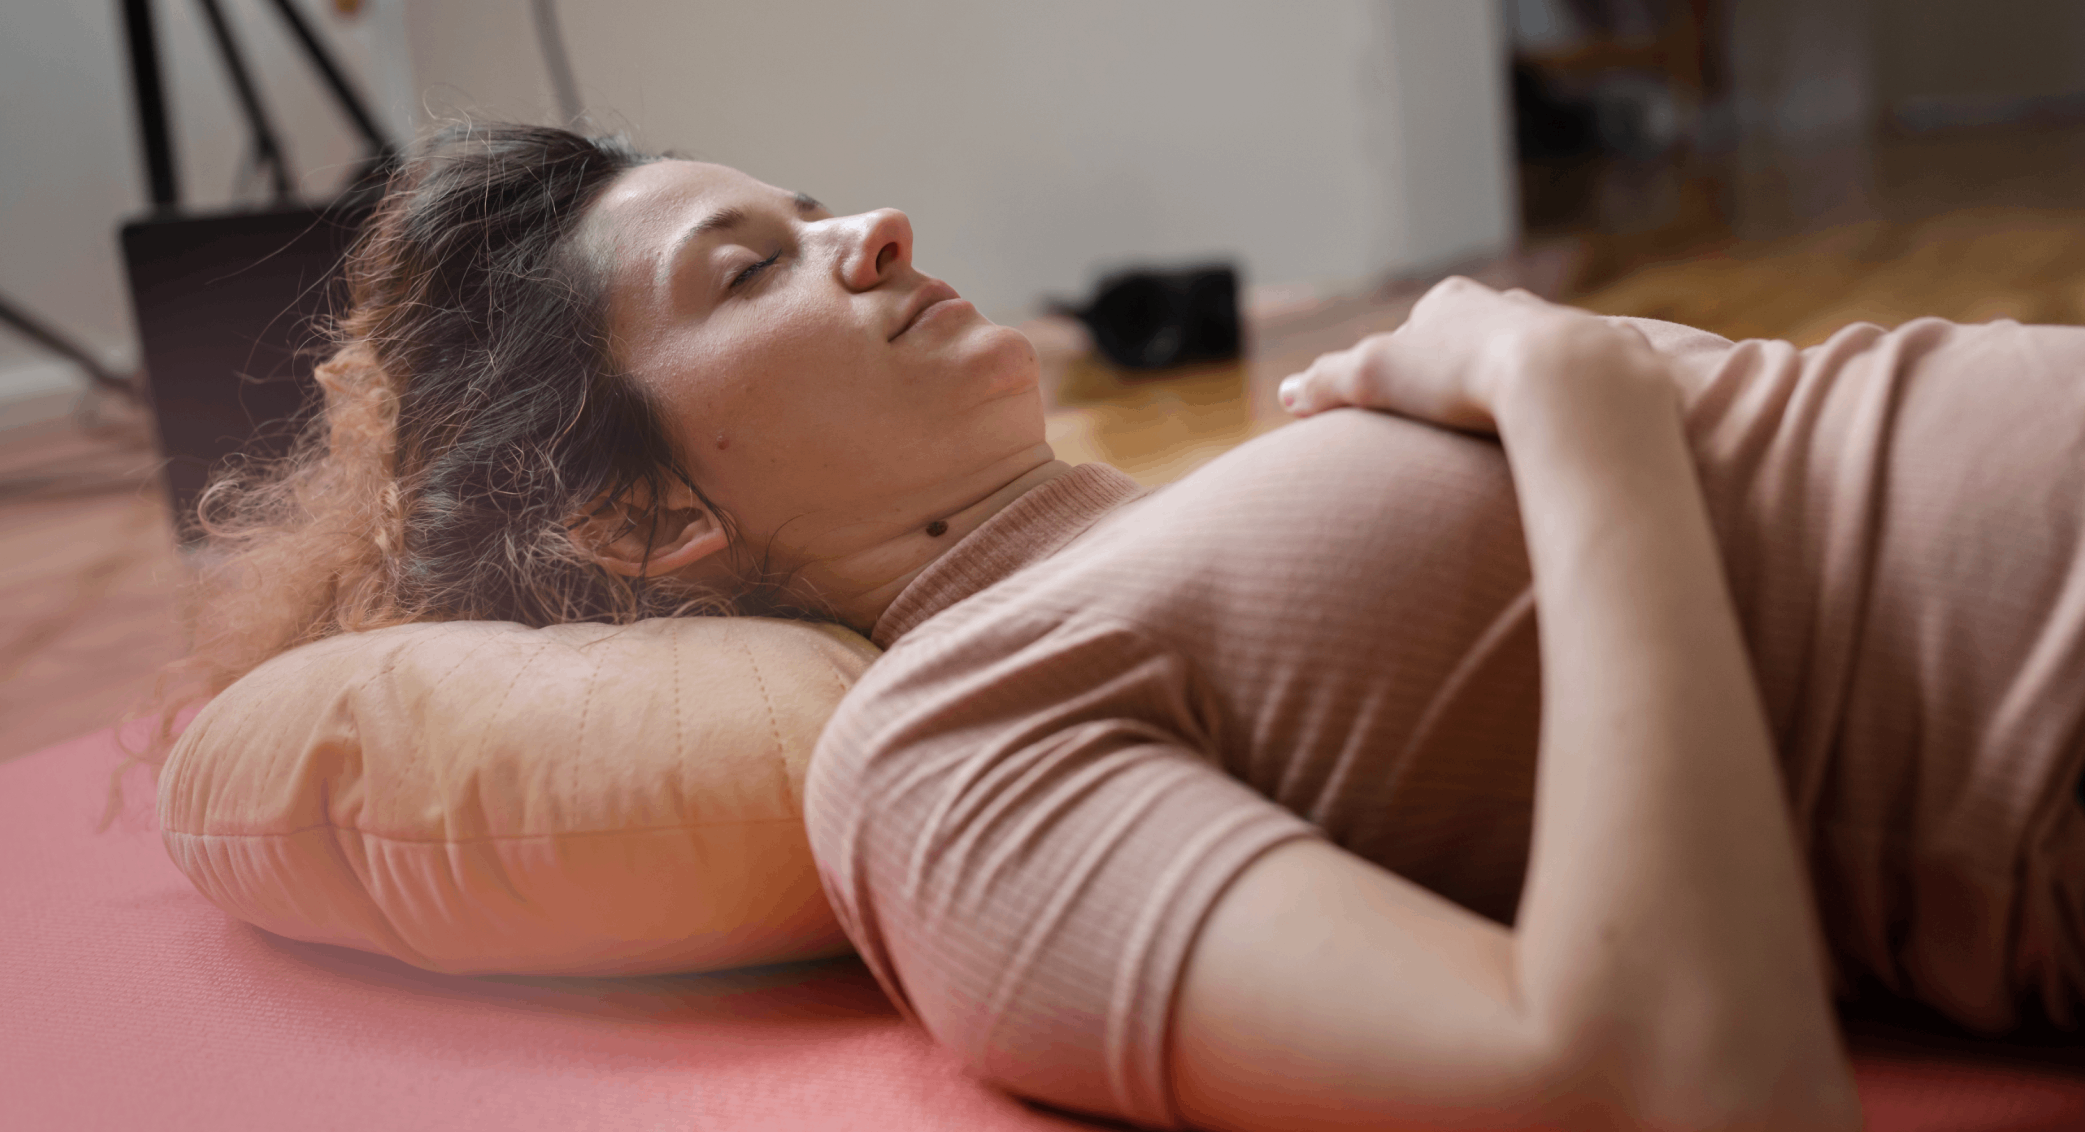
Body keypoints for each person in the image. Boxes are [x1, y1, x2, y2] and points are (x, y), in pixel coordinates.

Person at [155, 124, 2085, 1132]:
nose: (878, 231)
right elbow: (1679, 1081)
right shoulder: (944, 760)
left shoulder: (1169, 520)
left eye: (812, 208)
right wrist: (1580, 406)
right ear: (650, 517)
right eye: (753, 269)